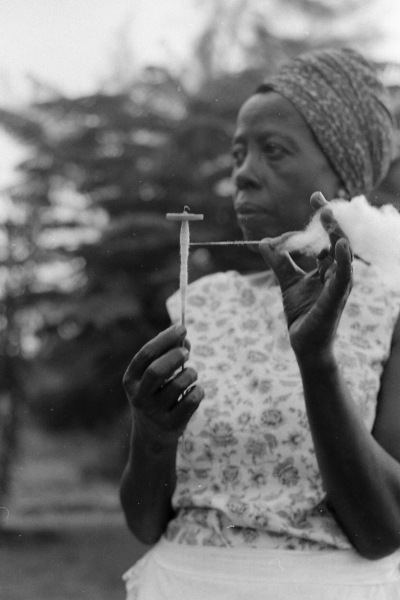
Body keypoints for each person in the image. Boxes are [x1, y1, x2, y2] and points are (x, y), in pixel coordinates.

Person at [120, 47, 400, 599]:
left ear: (342, 176)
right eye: (238, 154)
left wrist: (316, 362)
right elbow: (144, 524)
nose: (244, 174)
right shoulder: (199, 304)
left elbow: (383, 531)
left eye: (273, 151)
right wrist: (151, 434)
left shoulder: (389, 307)